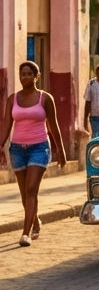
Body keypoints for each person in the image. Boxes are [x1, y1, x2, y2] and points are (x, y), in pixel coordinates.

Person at [0, 60, 68, 246]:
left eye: (30, 74)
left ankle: (25, 233)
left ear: (37, 76)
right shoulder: (12, 99)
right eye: (23, 74)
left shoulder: (45, 99)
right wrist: (1, 145)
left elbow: (53, 125)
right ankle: (35, 220)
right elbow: (6, 124)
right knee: (24, 193)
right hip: (17, 149)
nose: (26, 77)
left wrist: (61, 151)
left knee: (31, 190)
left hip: (39, 148)